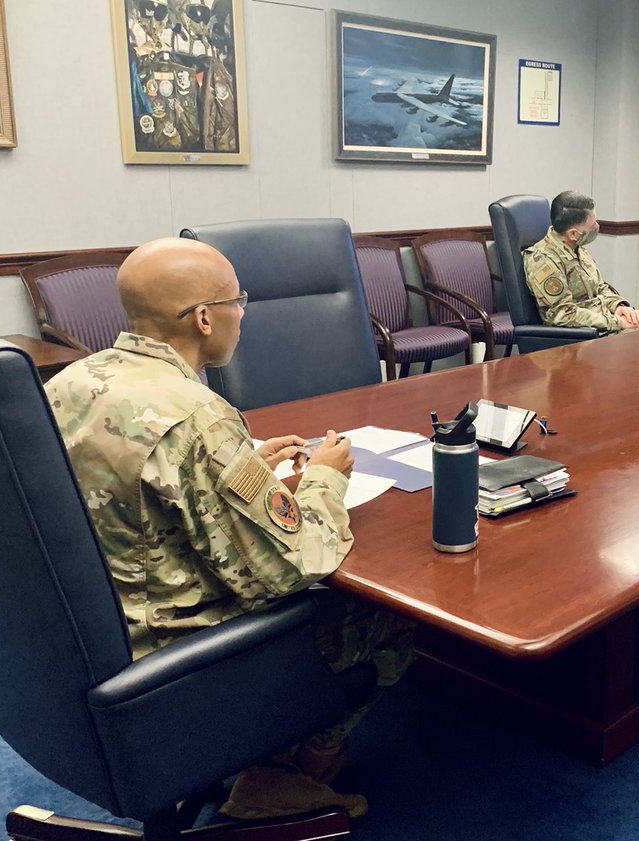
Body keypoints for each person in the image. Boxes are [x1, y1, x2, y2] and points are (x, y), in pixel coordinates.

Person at [45, 238, 414, 822]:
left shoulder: (73, 380)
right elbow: (299, 563)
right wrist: (323, 478)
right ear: (204, 318)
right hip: (173, 655)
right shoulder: (197, 414)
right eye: (239, 300)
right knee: (392, 617)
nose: (243, 313)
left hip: (84, 630)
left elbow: (130, 489)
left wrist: (244, 468)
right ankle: (289, 776)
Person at [524, 192, 639, 331]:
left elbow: (600, 287)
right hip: (590, 333)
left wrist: (618, 306)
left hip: (610, 317)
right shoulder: (543, 261)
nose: (596, 227)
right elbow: (562, 314)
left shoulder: (576, 248)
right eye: (592, 225)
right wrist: (615, 322)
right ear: (573, 233)